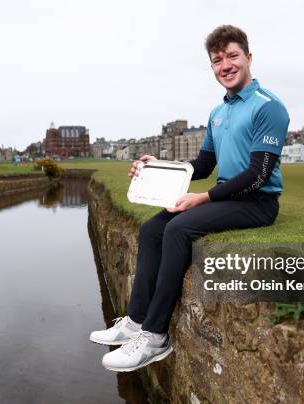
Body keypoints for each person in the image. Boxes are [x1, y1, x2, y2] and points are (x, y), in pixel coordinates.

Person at [90, 25, 289, 372]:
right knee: (153, 228)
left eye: (232, 56)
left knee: (178, 229)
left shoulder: (268, 107)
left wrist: (204, 198)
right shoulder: (217, 113)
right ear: (212, 67)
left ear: (248, 58)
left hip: (257, 202)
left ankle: (155, 337)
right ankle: (137, 321)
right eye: (217, 60)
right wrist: (158, 167)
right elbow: (203, 165)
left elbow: (258, 175)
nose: (225, 65)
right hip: (227, 198)